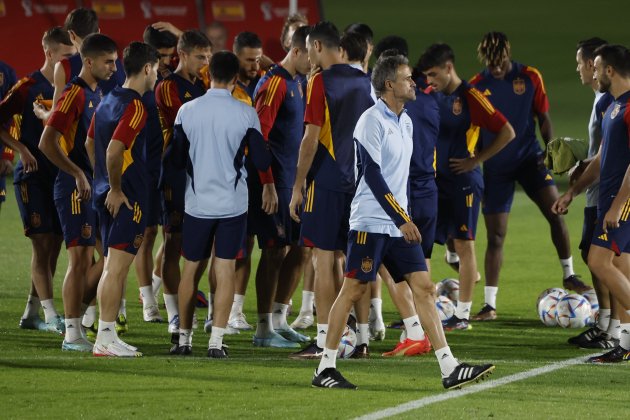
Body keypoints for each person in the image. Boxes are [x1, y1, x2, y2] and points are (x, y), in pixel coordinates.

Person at [312, 54, 495, 389]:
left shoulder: (406, 121)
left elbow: (401, 177)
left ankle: (448, 367)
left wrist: (405, 216)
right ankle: (325, 368)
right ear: (388, 85)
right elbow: (373, 176)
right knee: (353, 289)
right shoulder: (371, 121)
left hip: (398, 223)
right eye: (407, 78)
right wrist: (401, 218)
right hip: (371, 222)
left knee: (424, 288)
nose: (414, 83)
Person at [469, 32, 588, 321]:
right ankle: (489, 305)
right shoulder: (476, 86)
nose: (496, 69)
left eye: (501, 63)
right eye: (491, 64)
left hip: (530, 160)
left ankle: (569, 275)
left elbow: (543, 117)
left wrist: (551, 149)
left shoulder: (530, 76)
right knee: (496, 236)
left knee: (556, 212)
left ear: (508, 55)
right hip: (496, 168)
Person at [168, 51, 271, 357]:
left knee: (191, 270)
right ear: (236, 77)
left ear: (207, 73)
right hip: (232, 205)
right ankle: (216, 342)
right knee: (224, 269)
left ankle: (184, 340)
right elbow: (261, 160)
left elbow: (174, 159)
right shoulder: (245, 112)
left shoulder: (187, 111)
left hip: (197, 203)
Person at [288, 21, 374, 359]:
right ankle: (362, 340)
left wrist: (297, 186)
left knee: (324, 262)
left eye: (309, 48)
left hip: (325, 183)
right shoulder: (366, 81)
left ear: (319, 47)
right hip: (361, 183)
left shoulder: (319, 81)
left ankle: (326, 340)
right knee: (355, 263)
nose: (308, 54)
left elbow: (311, 137)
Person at [417, 43, 515, 331]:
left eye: (434, 75)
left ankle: (462, 316)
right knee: (426, 246)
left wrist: (477, 160)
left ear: (449, 68)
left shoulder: (471, 96)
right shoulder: (430, 95)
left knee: (464, 244)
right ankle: (423, 312)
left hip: (464, 183)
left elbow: (507, 131)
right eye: (427, 77)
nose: (430, 81)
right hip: (436, 182)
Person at [38, 33, 118, 352]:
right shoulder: (75, 94)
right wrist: (76, 173)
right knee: (81, 258)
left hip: (93, 186)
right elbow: (47, 142)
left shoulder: (99, 94)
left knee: (110, 255)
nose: (114, 67)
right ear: (88, 62)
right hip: (74, 187)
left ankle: (79, 319)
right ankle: (72, 333)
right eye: (108, 62)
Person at [552, 44, 630, 363]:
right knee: (620, 268)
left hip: (622, 202)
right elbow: (600, 159)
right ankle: (625, 343)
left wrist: (616, 206)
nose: (592, 72)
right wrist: (572, 192)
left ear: (610, 70)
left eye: (596, 67)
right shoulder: (614, 107)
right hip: (611, 199)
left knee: (598, 262)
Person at [0, 27, 75, 334]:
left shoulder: (74, 89)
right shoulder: (27, 87)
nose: (71, 62)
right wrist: (19, 150)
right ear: (50, 54)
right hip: (31, 177)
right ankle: (50, 314)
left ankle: (33, 311)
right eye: (67, 56)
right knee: (42, 244)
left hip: (59, 176)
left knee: (55, 245)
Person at [88, 41, 159, 357]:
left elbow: (91, 142)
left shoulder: (108, 98)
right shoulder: (136, 106)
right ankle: (104, 339)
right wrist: (116, 188)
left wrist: (102, 181)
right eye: (156, 69)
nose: (156, 75)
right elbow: (114, 149)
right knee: (116, 269)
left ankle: (106, 334)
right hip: (127, 197)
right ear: (147, 68)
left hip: (106, 194)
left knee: (109, 268)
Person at [250, 25, 312, 348]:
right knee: (274, 251)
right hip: (273, 184)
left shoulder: (299, 81)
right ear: (298, 51)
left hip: (293, 183)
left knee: (299, 249)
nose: (314, 63)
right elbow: (257, 136)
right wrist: (268, 184)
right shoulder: (274, 84)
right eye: (310, 57)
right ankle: (262, 329)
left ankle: (278, 319)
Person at [155, 29, 211, 344]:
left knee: (200, 245)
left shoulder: (203, 85)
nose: (204, 63)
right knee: (173, 242)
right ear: (183, 54)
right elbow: (186, 123)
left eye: (207, 57)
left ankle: (187, 302)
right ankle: (173, 311)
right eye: (200, 57)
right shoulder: (167, 87)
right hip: (175, 173)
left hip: (201, 173)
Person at [567, 38, 618, 349]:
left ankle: (613, 327)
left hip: (605, 193)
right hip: (597, 191)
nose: (578, 69)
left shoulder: (607, 103)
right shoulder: (601, 100)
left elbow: (608, 154)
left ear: (592, 65)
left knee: (603, 259)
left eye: (580, 63)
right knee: (592, 255)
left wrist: (576, 182)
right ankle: (606, 322)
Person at [131, 24, 179, 323]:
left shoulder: (176, 81)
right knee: (146, 234)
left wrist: (179, 30)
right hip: (145, 171)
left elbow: (205, 53)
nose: (166, 61)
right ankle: (149, 301)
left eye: (170, 55)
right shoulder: (138, 87)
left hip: (172, 169)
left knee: (174, 236)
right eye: (160, 55)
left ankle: (158, 285)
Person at [228, 31, 264, 332]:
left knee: (248, 243)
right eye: (248, 59)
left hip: (255, 174)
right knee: (226, 248)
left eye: (257, 59)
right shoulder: (225, 89)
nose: (254, 65)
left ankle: (236, 309)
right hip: (230, 174)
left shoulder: (264, 82)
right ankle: (220, 308)